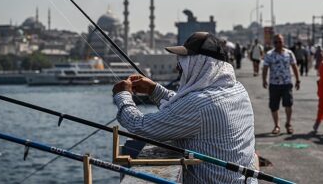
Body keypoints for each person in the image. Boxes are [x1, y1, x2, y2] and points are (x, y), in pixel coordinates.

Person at [112, 32, 257, 183]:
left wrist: (122, 95)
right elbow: (187, 106)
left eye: (183, 61)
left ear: (199, 64)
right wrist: (154, 90)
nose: (177, 67)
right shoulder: (238, 90)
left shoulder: (198, 105)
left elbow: (139, 126)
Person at [262, 34, 300, 135]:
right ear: (273, 43)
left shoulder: (289, 53)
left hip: (286, 83)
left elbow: (294, 66)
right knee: (274, 106)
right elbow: (265, 68)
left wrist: (298, 79)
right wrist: (264, 80)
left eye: (280, 42)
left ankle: (288, 124)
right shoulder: (269, 54)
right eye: (276, 42)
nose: (278, 44)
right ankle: (277, 126)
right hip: (274, 84)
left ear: (283, 42)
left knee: (288, 104)